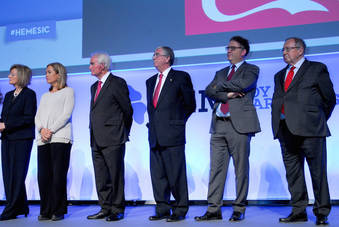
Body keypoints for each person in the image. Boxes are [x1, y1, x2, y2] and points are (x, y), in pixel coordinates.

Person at [195, 36, 261, 222]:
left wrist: (219, 87)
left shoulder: (252, 69)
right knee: (216, 169)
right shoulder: (221, 71)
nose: (229, 51)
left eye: (233, 48)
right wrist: (227, 94)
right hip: (218, 124)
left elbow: (242, 84)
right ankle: (213, 209)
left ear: (243, 51)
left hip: (239, 125)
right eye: (228, 48)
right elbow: (209, 90)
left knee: (241, 169)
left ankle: (239, 208)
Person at [272, 37, 336, 225]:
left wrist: (315, 118)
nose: (284, 52)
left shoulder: (316, 69)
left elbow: (329, 99)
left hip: (311, 130)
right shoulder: (279, 75)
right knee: (293, 174)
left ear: (300, 50)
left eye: (288, 49)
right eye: (283, 49)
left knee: (318, 173)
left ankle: (321, 212)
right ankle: (298, 211)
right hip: (285, 130)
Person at [146, 46, 196, 222]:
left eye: (156, 54)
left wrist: (176, 122)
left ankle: (180, 209)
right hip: (154, 135)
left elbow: (190, 104)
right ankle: (162, 208)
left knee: (176, 173)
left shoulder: (181, 77)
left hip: (173, 134)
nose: (153, 57)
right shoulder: (150, 81)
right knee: (158, 175)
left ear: (167, 58)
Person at [86, 53, 133, 222]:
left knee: (115, 176)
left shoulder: (117, 83)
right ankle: (105, 207)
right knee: (101, 176)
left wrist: (122, 132)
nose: (90, 67)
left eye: (92, 64)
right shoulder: (93, 86)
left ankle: (117, 208)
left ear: (103, 65)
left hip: (113, 137)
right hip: (96, 138)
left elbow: (127, 111)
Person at [35, 63, 74, 221]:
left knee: (58, 176)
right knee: (43, 176)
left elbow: (66, 114)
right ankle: (45, 210)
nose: (46, 75)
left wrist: (50, 130)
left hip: (60, 138)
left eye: (49, 72)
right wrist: (42, 130)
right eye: (46, 72)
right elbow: (37, 117)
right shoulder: (45, 96)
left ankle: (58, 210)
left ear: (59, 75)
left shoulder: (68, 91)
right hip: (43, 140)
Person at [0, 64, 36, 221]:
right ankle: (21, 205)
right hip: (7, 138)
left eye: (12, 74)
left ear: (21, 76)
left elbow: (28, 118)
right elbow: (4, 117)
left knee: (17, 173)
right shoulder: (8, 95)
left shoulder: (29, 95)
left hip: (22, 139)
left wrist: (7, 125)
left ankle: (11, 208)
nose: (9, 76)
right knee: (8, 174)